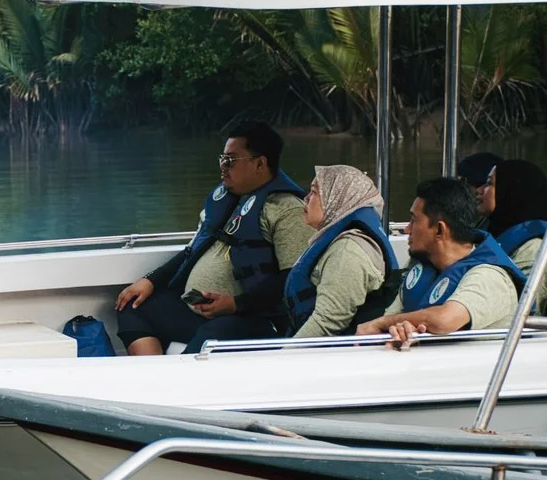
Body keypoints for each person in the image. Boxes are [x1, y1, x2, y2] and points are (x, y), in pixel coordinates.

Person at [114, 122, 309, 354]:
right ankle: (154, 375)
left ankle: (168, 383)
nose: (223, 167)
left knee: (211, 340)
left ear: (260, 163)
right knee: (132, 305)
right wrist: (151, 280)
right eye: (222, 159)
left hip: (251, 318)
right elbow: (193, 252)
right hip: (198, 311)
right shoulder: (227, 200)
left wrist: (236, 304)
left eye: (231, 160)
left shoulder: (287, 210)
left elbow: (293, 280)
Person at [364, 177, 525, 350]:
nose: (407, 229)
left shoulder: (489, 277)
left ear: (440, 230)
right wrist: (400, 328)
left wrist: (383, 322)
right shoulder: (424, 265)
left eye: (414, 220)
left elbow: (444, 320)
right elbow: (391, 322)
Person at [283, 164, 398, 337]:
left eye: (314, 192)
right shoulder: (338, 243)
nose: (306, 198)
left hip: (330, 356)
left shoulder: (347, 252)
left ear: (336, 198)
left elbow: (328, 322)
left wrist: (282, 357)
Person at [486, 158, 547, 302]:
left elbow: (530, 310)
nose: (480, 191)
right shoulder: (495, 230)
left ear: (510, 191)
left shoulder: (535, 251)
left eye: (489, 184)